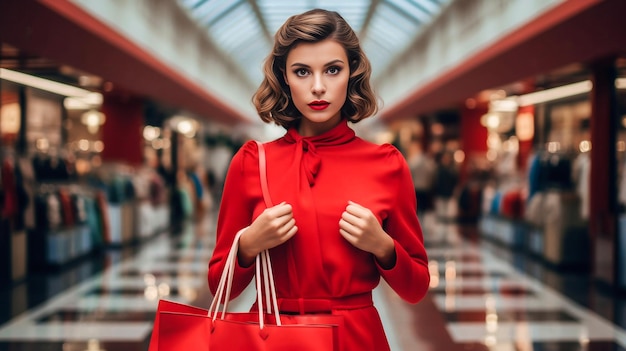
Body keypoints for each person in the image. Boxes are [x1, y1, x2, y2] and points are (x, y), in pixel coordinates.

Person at [208, 9, 430, 350]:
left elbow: (415, 288)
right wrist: (249, 244)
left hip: (356, 336)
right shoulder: (252, 161)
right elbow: (217, 283)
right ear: (284, 78)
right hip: (274, 335)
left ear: (351, 73)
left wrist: (383, 246)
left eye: (332, 70)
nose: (317, 87)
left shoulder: (387, 164)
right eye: (301, 72)